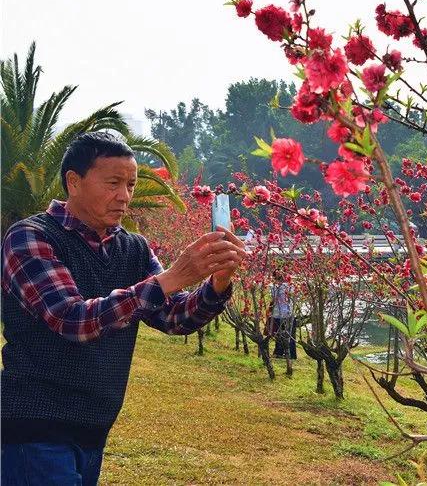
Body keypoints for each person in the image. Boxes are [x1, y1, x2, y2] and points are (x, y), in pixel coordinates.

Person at [1, 132, 247, 485]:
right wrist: (172, 277)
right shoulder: (31, 237)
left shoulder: (132, 248)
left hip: (93, 429)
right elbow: (73, 319)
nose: (125, 196)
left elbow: (175, 317)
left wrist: (218, 281)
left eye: (130, 184)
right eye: (113, 183)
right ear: (74, 181)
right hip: (34, 429)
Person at [269, 270, 297, 359]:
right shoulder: (289, 286)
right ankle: (286, 354)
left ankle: (282, 353)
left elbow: (273, 299)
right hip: (285, 313)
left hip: (283, 313)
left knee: (282, 334)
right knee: (287, 335)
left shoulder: (276, 287)